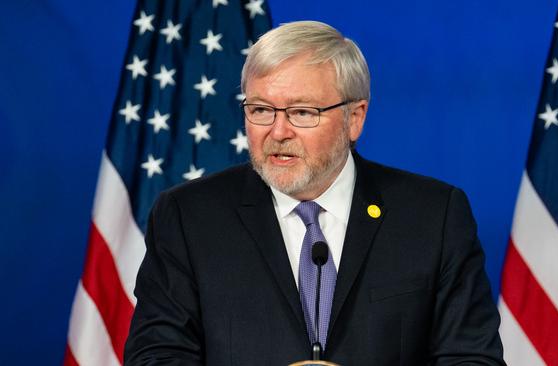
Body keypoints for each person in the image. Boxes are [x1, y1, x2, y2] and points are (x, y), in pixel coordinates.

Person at [124, 20, 505, 365]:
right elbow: (156, 358)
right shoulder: (189, 217)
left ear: (355, 118)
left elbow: (472, 360)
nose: (277, 132)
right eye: (260, 110)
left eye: (302, 112)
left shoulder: (433, 216)